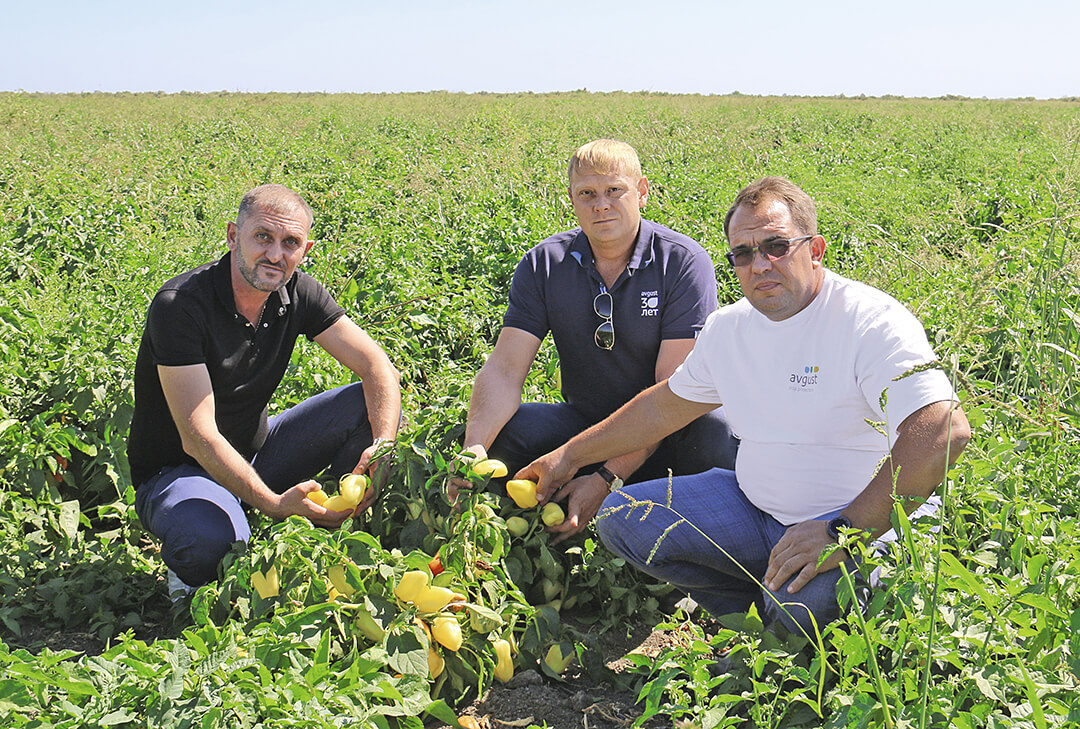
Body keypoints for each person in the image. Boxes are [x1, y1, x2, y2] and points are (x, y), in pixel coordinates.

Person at [517, 176, 971, 633]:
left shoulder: (868, 321)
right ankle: (751, 619)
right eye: (744, 253)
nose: (761, 265)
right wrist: (569, 456)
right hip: (756, 510)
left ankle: (782, 620)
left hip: (856, 526)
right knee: (623, 519)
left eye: (776, 246)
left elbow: (942, 431)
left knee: (804, 613)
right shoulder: (730, 329)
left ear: (815, 250)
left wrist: (842, 532)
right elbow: (663, 407)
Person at [457, 139, 737, 543]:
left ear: (641, 191)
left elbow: (672, 394)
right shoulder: (545, 264)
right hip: (588, 424)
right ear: (571, 199)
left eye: (614, 191)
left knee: (714, 435)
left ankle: (700, 548)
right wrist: (474, 451)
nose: (600, 205)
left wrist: (607, 476)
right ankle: (512, 539)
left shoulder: (681, 262)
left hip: (670, 436)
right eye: (587, 193)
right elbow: (504, 369)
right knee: (499, 434)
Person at [128, 184, 401, 591]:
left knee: (370, 403)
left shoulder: (298, 292)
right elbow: (197, 437)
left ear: (304, 250)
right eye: (263, 237)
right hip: (179, 470)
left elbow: (377, 366)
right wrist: (273, 505)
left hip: (255, 453)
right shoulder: (181, 305)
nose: (275, 255)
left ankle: (333, 535)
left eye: (289, 243)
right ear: (233, 235)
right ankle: (207, 541)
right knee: (209, 546)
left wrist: (382, 446)